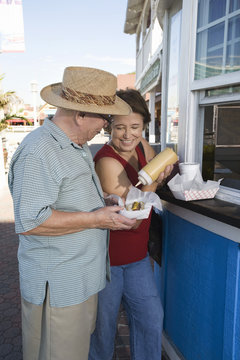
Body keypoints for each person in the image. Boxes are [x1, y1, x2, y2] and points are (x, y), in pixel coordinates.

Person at [8, 66, 137, 360]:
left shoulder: (73, 145)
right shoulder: (39, 151)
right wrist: (97, 218)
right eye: (104, 119)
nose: (105, 127)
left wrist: (101, 200)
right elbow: (31, 221)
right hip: (59, 287)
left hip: (78, 282)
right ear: (80, 114)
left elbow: (65, 198)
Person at [89, 89, 174, 360]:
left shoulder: (141, 146)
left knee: (151, 319)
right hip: (107, 261)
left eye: (135, 127)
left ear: (144, 126)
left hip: (137, 258)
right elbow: (136, 208)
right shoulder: (105, 161)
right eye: (120, 127)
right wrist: (156, 177)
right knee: (103, 331)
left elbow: (153, 180)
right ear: (109, 126)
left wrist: (161, 172)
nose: (128, 134)